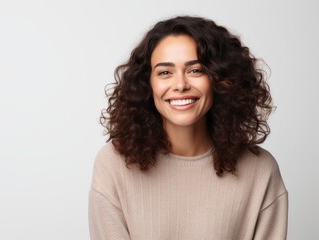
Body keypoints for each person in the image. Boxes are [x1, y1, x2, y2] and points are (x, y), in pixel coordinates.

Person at [88, 16, 288, 239]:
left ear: (220, 79)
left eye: (195, 70)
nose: (181, 85)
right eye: (165, 72)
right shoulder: (114, 167)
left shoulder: (260, 171)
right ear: (147, 83)